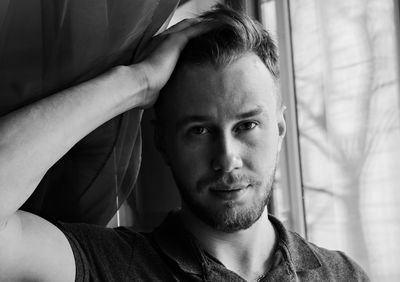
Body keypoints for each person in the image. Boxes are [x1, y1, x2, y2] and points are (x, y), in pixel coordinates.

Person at [0, 5, 369, 282]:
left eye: (247, 125)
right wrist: (138, 82)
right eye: (200, 131)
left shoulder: (344, 275)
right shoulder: (109, 265)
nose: (227, 159)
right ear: (163, 141)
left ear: (280, 128)